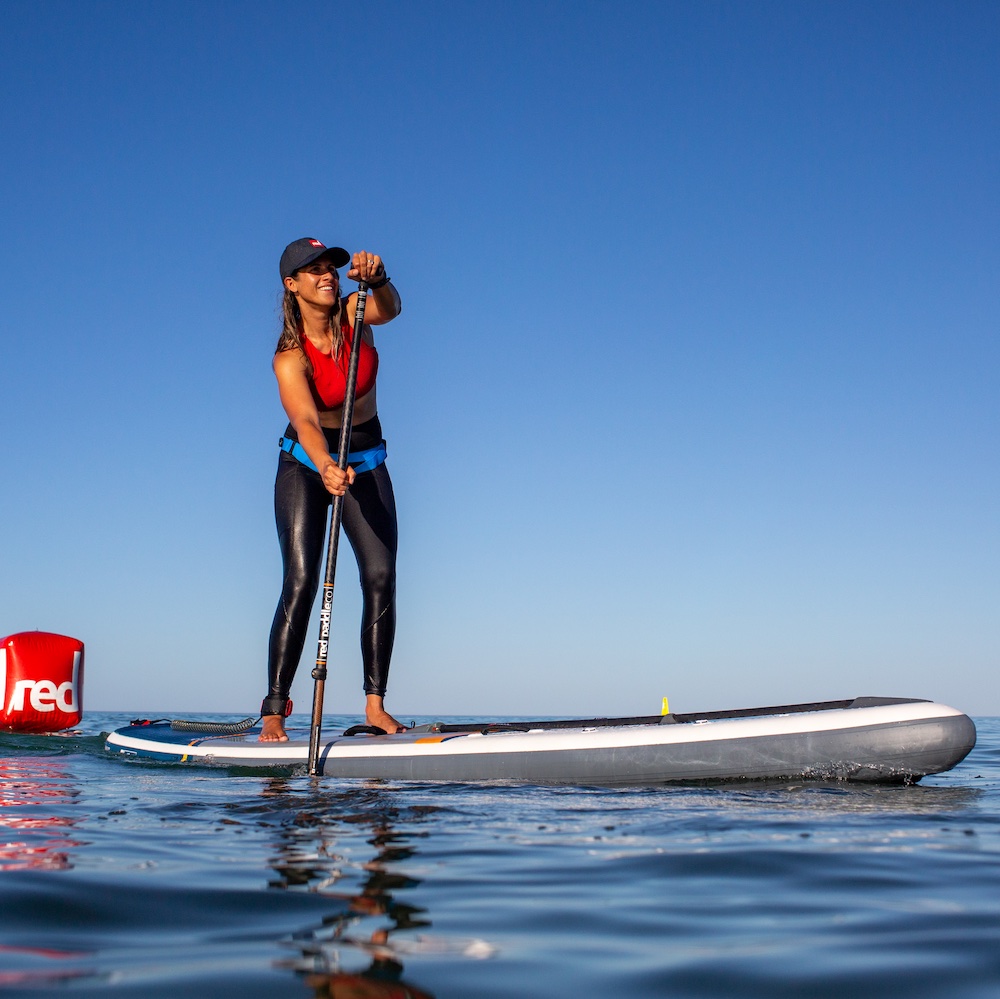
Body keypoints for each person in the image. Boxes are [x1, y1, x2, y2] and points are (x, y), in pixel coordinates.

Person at [261, 237, 403, 742]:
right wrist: (324, 464)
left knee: (381, 574)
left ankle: (374, 706)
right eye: (314, 270)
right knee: (300, 580)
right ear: (291, 284)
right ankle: (275, 709)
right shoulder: (289, 356)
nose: (328, 276)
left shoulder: (357, 311)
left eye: (332, 268)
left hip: (366, 459)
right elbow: (304, 418)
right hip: (306, 464)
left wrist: (378, 278)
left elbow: (392, 309)